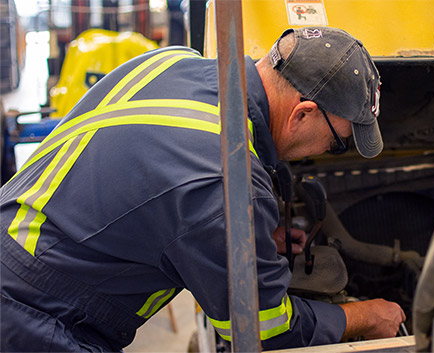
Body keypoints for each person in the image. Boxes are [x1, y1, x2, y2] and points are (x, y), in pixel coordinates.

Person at [0, 27, 405, 351]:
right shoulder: (228, 178)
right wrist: (366, 316)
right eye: (338, 143)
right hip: (36, 321)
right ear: (303, 114)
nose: (331, 151)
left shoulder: (169, 61)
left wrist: (243, 240)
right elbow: (264, 329)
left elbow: (154, 194)